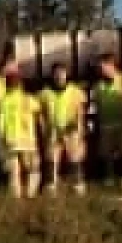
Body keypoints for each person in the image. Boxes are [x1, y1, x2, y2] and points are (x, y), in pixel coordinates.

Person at [38, 62, 87, 194]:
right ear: (52, 75)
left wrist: (79, 129)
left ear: (66, 75)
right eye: (56, 74)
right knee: (51, 159)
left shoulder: (76, 92)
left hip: (71, 130)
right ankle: (50, 186)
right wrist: (44, 131)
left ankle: (78, 185)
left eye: (62, 73)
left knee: (74, 158)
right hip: (52, 131)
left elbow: (80, 112)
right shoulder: (44, 93)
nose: (59, 76)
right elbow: (41, 115)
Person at [92, 53, 122, 194]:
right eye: (99, 68)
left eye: (103, 67)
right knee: (106, 153)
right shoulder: (98, 85)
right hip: (105, 124)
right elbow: (95, 106)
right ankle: (109, 178)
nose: (100, 70)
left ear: (112, 65)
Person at [0, 68, 42, 197]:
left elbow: (0, 125)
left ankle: (16, 196)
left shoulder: (3, 102)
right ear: (21, 84)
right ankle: (30, 193)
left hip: (11, 141)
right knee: (32, 169)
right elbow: (39, 114)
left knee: (14, 172)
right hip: (28, 141)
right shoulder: (29, 99)